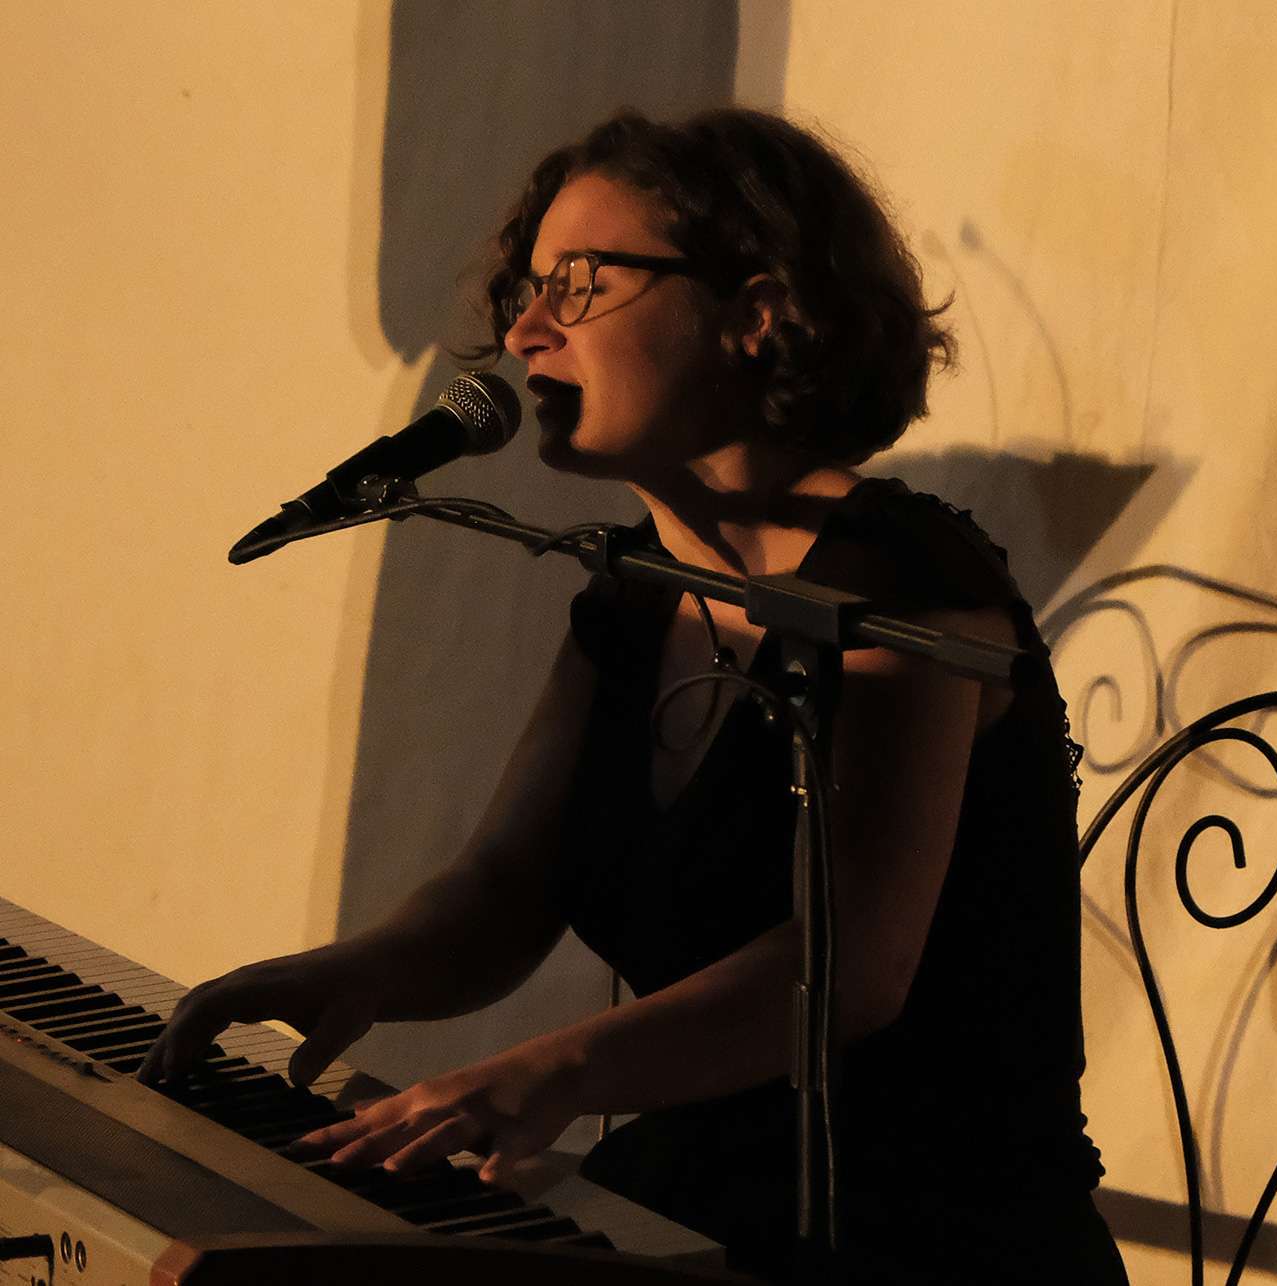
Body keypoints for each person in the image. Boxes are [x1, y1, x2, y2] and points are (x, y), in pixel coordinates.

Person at [140, 109, 1129, 1283]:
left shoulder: (901, 585)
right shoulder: (633, 595)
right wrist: (350, 972)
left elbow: (849, 966)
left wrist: (547, 1070)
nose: (525, 330)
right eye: (527, 289)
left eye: (580, 282)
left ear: (756, 313)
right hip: (696, 1206)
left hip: (932, 1241)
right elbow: (503, 889)